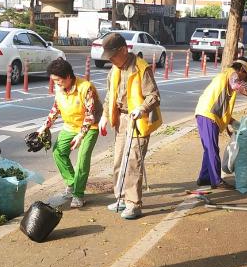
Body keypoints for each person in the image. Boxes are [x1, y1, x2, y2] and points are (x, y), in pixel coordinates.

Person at [97, 32, 162, 219]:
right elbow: (110, 95)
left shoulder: (141, 68)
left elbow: (154, 96)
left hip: (138, 120)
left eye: (113, 56)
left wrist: (141, 109)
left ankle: (134, 204)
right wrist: (104, 116)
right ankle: (121, 199)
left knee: (133, 162)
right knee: (119, 161)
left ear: (124, 50)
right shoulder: (114, 69)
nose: (110, 60)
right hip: (121, 120)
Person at [36, 58, 103, 208]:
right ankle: (72, 183)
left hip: (89, 126)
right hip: (70, 126)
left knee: (82, 158)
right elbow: (56, 109)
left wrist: (81, 135)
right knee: (58, 152)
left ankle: (78, 195)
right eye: (53, 81)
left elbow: (90, 115)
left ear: (68, 76)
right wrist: (44, 127)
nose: (56, 84)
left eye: (58, 80)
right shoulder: (59, 90)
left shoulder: (86, 88)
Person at [194, 59, 247, 188]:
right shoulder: (232, 73)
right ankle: (216, 180)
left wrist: (233, 123)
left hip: (207, 114)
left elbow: (224, 108)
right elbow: (236, 86)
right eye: (245, 74)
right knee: (212, 148)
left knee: (209, 148)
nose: (243, 78)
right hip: (208, 114)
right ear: (241, 70)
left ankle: (204, 177)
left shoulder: (226, 77)